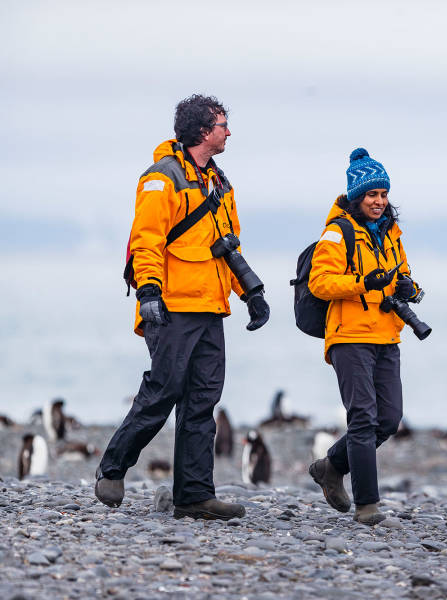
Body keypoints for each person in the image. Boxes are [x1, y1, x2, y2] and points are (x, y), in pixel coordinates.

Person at [94, 94, 270, 520]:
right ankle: (112, 468)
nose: (229, 132)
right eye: (223, 124)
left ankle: (194, 495)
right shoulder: (161, 178)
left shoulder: (219, 183)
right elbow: (146, 240)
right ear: (201, 130)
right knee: (165, 389)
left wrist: (250, 293)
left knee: (203, 400)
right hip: (171, 305)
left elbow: (227, 247)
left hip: (211, 305)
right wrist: (149, 291)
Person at [307, 148, 423, 525]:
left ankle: (332, 466)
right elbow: (320, 282)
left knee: (388, 418)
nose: (379, 201)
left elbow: (402, 273)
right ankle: (368, 506)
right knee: (362, 418)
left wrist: (410, 287)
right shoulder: (337, 233)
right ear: (357, 197)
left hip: (387, 336)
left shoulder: (392, 234)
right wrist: (362, 283)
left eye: (383, 194)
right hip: (349, 336)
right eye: (372, 195)